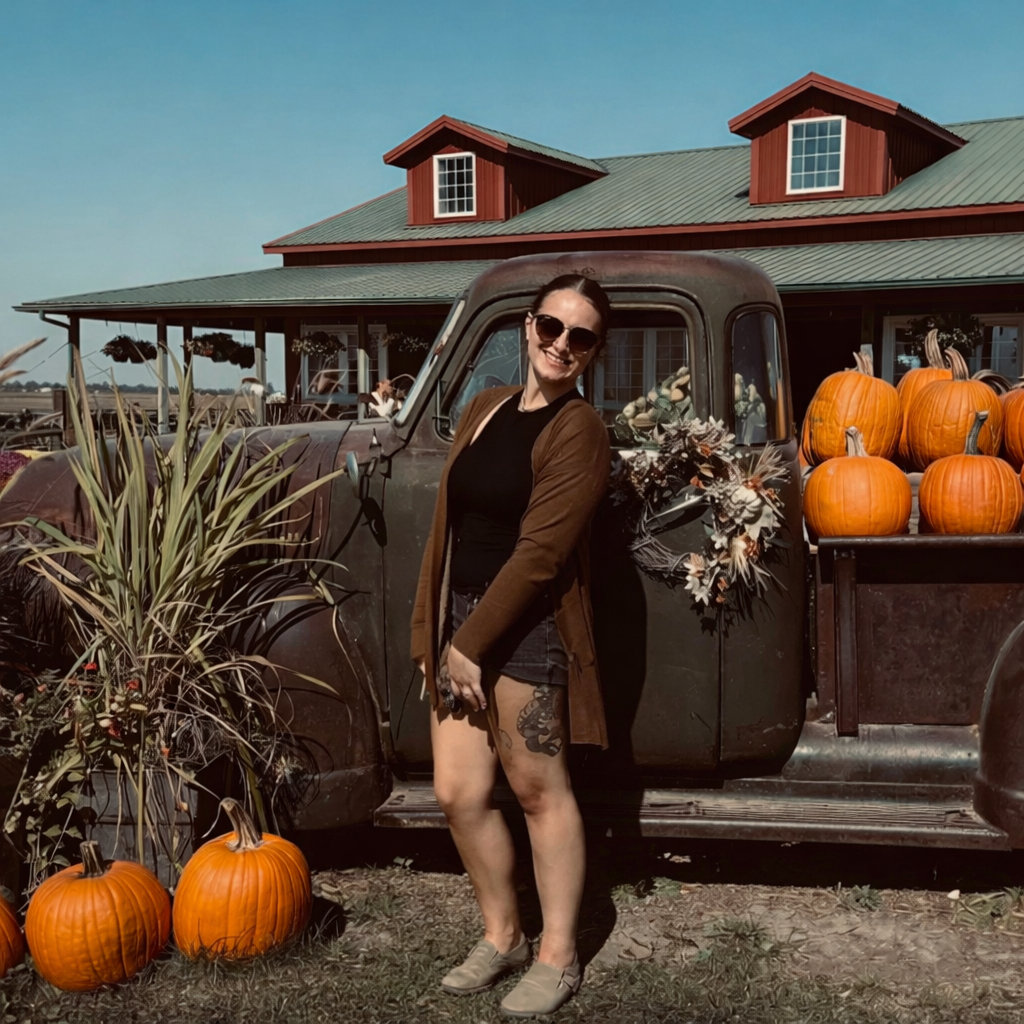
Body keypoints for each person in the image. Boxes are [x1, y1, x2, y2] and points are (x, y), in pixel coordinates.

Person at [411, 273, 612, 1017]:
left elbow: (541, 555)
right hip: (461, 619)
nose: (561, 345)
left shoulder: (582, 430)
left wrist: (470, 643)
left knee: (537, 792)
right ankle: (503, 936)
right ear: (528, 327)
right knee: (458, 793)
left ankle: (557, 955)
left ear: (595, 351)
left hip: (527, 627)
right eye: (551, 327)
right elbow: (450, 524)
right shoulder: (485, 409)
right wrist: (442, 630)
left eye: (580, 336)